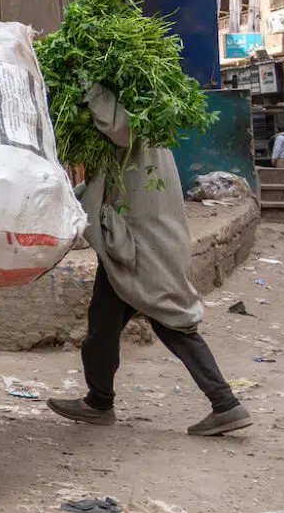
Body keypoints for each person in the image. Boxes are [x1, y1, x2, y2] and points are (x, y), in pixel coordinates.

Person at [47, 84, 250, 436]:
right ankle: (99, 401)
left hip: (143, 249)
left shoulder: (131, 130)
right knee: (104, 324)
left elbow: (117, 128)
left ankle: (225, 403)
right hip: (135, 247)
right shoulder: (142, 138)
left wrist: (89, 88)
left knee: (168, 321)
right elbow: (100, 186)